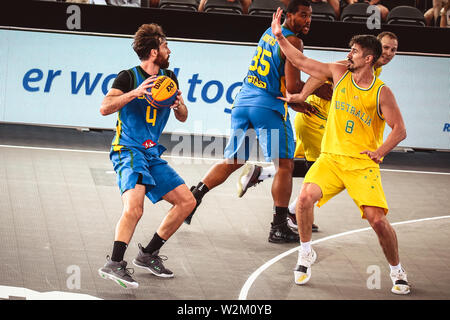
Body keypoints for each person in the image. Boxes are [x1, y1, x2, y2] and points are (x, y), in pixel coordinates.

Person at [272, 7, 410, 294]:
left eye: (354, 52)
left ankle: (397, 270)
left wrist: (379, 151)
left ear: (368, 58)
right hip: (332, 158)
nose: (349, 55)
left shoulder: (381, 91)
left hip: (361, 165)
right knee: (305, 199)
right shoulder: (338, 72)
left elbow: (399, 130)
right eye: (349, 50)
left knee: (378, 221)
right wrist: (280, 37)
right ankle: (306, 252)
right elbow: (301, 60)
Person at [237, 31, 398, 233]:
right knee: (330, 170)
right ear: (372, 52)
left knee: (315, 168)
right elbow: (317, 72)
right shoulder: (350, 65)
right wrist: (303, 95)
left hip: (324, 122)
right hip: (316, 118)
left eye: (394, 49)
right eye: (385, 48)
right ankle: (292, 210)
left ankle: (265, 176)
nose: (389, 53)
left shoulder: (376, 74)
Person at [186, 0, 316, 244]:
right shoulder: (293, 41)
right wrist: (316, 91)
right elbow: (292, 87)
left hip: (243, 101)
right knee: (284, 166)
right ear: (289, 16)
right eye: (303, 15)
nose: (308, 20)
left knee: (233, 160)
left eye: (310, 16)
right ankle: (278, 226)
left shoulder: (269, 31)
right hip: (267, 106)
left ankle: (193, 198)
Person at [97, 23, 196, 289]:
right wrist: (135, 93)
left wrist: (179, 105)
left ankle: (148, 254)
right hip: (128, 150)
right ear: (153, 52)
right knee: (135, 207)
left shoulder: (169, 78)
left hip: (151, 153)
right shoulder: (127, 77)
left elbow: (184, 116)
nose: (169, 50)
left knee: (187, 201)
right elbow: (104, 108)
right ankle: (115, 263)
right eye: (165, 46)